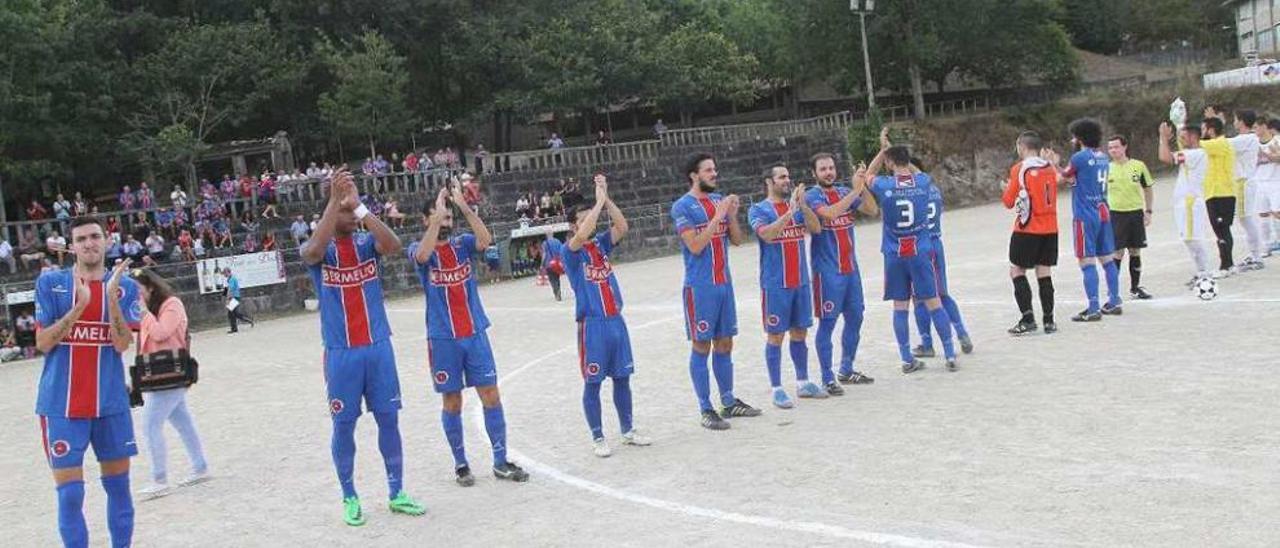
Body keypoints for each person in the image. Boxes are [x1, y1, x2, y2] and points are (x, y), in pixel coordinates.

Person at [302, 168, 425, 525]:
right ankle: (349, 496)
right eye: (344, 209)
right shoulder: (322, 251)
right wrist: (333, 203)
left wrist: (358, 207)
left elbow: (394, 246)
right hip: (342, 354)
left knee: (389, 420)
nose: (350, 215)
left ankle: (396, 491)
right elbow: (310, 253)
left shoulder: (365, 243)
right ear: (329, 210)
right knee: (344, 426)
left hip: (378, 347)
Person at [408, 182, 530, 486]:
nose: (446, 223)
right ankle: (461, 464)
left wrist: (462, 206)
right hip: (443, 338)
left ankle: (500, 462)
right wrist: (436, 217)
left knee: (491, 394)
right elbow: (422, 256)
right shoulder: (419, 248)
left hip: (475, 332)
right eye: (439, 218)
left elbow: (486, 239)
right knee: (452, 401)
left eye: (449, 219)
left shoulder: (461, 243)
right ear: (426, 220)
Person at [33, 216, 143, 548]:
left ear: (107, 240)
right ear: (72, 246)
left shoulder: (127, 287)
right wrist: (80, 306)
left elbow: (123, 344)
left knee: (118, 486)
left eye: (95, 236)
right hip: (61, 406)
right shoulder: (51, 284)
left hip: (110, 403)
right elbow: (43, 343)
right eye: (81, 239)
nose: (89, 243)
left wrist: (109, 298)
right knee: (70, 495)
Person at [562, 174, 652, 457]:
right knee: (593, 381)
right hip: (593, 325)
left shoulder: (600, 244)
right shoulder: (570, 251)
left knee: (622, 378)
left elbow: (622, 226)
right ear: (573, 225)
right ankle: (598, 436)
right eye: (583, 219)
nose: (591, 221)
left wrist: (606, 198)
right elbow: (581, 236)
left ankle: (627, 431)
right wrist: (597, 204)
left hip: (615, 320)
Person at [671, 153, 759, 431]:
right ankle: (706, 408)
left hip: (724, 284)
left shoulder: (718, 201)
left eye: (715, 169)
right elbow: (695, 246)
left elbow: (737, 240)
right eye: (708, 170)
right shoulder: (682, 207)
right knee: (701, 345)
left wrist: (730, 216)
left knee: (725, 344)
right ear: (694, 175)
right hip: (700, 288)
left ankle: (728, 401)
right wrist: (718, 215)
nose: (714, 173)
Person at [864, 140, 959, 372]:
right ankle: (949, 354)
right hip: (920, 251)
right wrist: (907, 164)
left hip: (895, 253)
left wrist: (882, 150)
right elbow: (921, 174)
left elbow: (868, 174)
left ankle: (907, 358)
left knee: (900, 306)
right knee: (934, 302)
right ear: (907, 161)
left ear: (889, 163)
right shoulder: (923, 182)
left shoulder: (885, 185)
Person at [749, 164, 826, 408]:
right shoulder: (758, 209)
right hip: (776, 285)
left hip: (801, 282)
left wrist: (802, 205)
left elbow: (816, 229)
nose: (787, 180)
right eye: (782, 177)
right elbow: (768, 235)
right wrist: (789, 212)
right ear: (769, 182)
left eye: (788, 176)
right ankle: (777, 388)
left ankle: (803, 382)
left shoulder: (797, 207)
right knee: (775, 336)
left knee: (800, 333)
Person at [131, 268, 209, 499]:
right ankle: (200, 466)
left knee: (150, 425)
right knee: (182, 421)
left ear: (151, 288)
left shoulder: (171, 304)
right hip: (160, 375)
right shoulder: (153, 310)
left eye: (139, 291)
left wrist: (144, 313)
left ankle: (159, 478)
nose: (137, 297)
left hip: (171, 373)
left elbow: (161, 333)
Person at [804, 152, 877, 391]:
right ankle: (827, 376)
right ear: (814, 173)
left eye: (831, 168)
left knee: (856, 317)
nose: (829, 172)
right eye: (823, 169)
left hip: (850, 271)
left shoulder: (846, 191)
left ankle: (846, 369)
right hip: (827, 273)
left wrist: (862, 185)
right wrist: (855, 191)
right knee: (827, 323)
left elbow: (871, 210)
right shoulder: (812, 195)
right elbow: (829, 214)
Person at [1044, 118, 1122, 321]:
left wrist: (1053, 164)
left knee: (1086, 261)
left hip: (1085, 215)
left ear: (1080, 138)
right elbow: (1075, 179)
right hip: (1103, 210)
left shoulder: (1079, 157)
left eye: (1074, 136)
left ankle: (1094, 307)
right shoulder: (1103, 157)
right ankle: (1114, 300)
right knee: (1107, 258)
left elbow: (1062, 178)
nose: (1072, 140)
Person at [909, 157, 974, 358]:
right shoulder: (933, 189)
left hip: (920, 246)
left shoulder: (912, 191)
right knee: (942, 294)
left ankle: (927, 343)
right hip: (937, 243)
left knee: (920, 298)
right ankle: (961, 332)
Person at [1157, 121, 1216, 283]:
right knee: (1189, 238)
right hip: (1185, 202)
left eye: (1184, 137)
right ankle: (1201, 271)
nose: (1181, 140)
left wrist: (1163, 138)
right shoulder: (1192, 153)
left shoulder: (1195, 154)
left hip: (1190, 202)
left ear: (1193, 137)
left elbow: (1165, 157)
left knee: (1193, 238)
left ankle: (1205, 272)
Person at [1105, 135, 1156, 299]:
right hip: (1115, 214)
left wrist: (1148, 211)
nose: (1113, 150)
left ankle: (1135, 288)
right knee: (1117, 252)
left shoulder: (1138, 166)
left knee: (1135, 250)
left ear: (1124, 147)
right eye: (1110, 148)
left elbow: (1147, 188)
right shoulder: (1106, 169)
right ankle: (1113, 290)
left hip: (1135, 213)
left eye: (1116, 147)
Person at [1198, 116, 1238, 277]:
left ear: (1211, 130)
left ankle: (1226, 265)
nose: (1201, 133)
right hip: (1215, 192)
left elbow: (1196, 144)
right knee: (1221, 230)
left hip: (1221, 192)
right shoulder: (1216, 144)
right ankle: (1229, 264)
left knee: (1222, 230)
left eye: (1203, 129)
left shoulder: (1219, 143)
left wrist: (1181, 127)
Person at [1228, 110, 1266, 270]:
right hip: (1244, 182)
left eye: (1236, 119)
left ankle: (1256, 256)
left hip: (1244, 182)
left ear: (1242, 121)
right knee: (1245, 218)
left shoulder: (1245, 139)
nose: (1234, 122)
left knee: (1246, 218)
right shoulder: (1249, 138)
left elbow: (1221, 144)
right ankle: (1255, 254)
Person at [1258, 118, 1280, 253]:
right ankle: (1266, 245)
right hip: (1259, 182)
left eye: (1256, 127)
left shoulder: (1276, 140)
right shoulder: (1254, 143)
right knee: (1263, 213)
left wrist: (1267, 155)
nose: (1255, 130)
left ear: (1264, 127)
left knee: (1277, 212)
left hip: (1276, 181)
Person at [222, 267, 254, 333]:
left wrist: (227, 299)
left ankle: (234, 329)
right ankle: (248, 320)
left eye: (225, 273)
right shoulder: (229, 279)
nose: (224, 275)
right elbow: (227, 289)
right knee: (235, 313)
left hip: (234, 297)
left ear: (228, 272)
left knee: (231, 313)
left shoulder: (232, 279)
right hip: (234, 297)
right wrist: (224, 296)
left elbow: (230, 289)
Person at [541, 234, 564, 301]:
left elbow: (544, 254)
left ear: (547, 235)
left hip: (549, 264)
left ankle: (556, 292)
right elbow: (561, 251)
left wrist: (542, 263)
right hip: (557, 263)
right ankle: (559, 290)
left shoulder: (545, 243)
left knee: (552, 279)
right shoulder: (558, 241)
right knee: (557, 278)